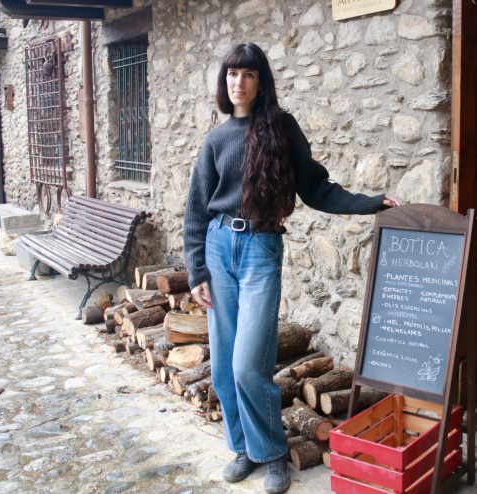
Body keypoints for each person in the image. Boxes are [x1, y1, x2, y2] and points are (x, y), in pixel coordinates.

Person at [183, 43, 400, 493]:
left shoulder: (282, 128)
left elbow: (316, 187)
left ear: (261, 82)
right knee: (224, 367)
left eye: (247, 75)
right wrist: (197, 270)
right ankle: (244, 448)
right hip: (220, 247)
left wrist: (370, 203)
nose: (237, 82)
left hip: (261, 247)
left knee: (249, 364)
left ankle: (273, 451)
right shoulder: (216, 140)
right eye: (231, 75)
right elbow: (196, 212)